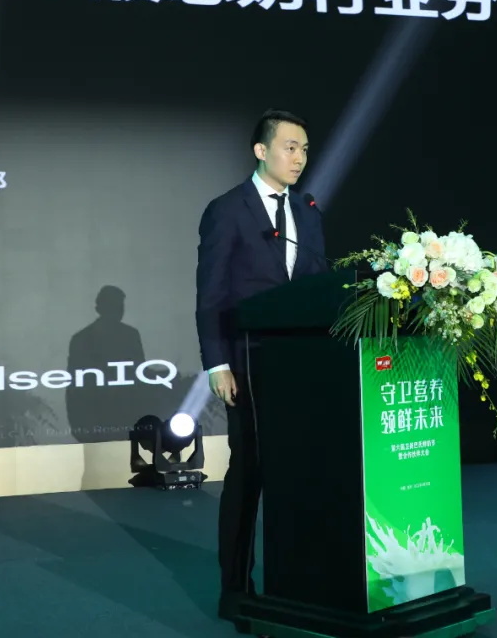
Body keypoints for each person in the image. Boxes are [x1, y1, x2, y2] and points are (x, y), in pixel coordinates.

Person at [195, 109, 328, 631]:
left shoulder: (308, 211)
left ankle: (300, 583)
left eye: (304, 149)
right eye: (291, 147)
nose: (300, 158)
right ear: (261, 150)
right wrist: (217, 363)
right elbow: (211, 295)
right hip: (248, 364)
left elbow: (317, 287)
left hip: (303, 365)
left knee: (303, 474)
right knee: (249, 473)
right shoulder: (227, 210)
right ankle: (236, 590)